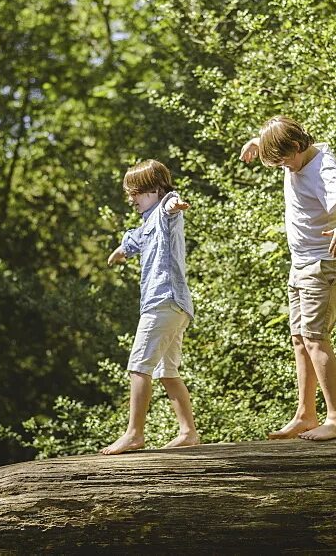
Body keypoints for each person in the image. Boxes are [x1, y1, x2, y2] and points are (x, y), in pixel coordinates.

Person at [240, 116, 336, 441]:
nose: (284, 168)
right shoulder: (297, 154)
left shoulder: (321, 169)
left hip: (325, 265)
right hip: (302, 265)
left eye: (282, 160)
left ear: (296, 147)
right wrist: (257, 143)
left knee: (315, 337)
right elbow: (279, 146)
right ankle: (306, 414)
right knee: (299, 338)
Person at [101, 159, 200, 455]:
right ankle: (188, 432)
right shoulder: (146, 223)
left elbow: (172, 202)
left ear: (155, 190)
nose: (132, 199)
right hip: (177, 306)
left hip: (163, 301)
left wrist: (175, 204)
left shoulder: (165, 209)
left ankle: (134, 434)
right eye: (130, 194)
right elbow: (134, 238)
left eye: (137, 193)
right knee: (167, 372)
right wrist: (121, 251)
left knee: (138, 368)